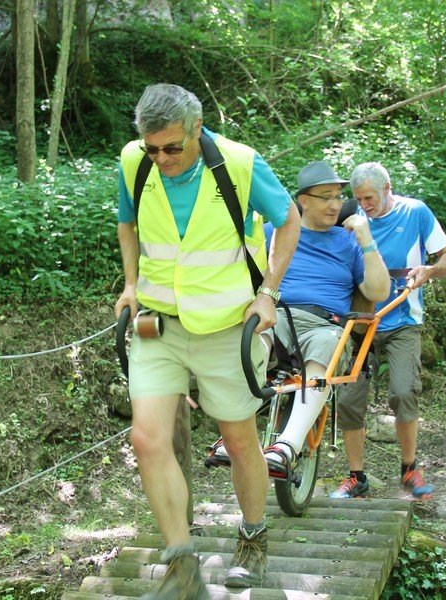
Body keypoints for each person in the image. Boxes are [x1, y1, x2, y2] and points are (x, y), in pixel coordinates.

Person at [114, 83, 300, 598]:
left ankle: (253, 537)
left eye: (172, 147)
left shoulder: (239, 164)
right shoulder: (134, 161)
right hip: (158, 324)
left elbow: (290, 222)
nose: (162, 158)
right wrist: (130, 284)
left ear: (198, 129)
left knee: (240, 442)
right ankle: (181, 562)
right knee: (146, 439)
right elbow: (127, 224)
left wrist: (267, 294)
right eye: (153, 148)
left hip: (227, 327)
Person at [331, 162, 446, 500]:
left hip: (402, 319)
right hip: (358, 320)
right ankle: (356, 476)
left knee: (403, 392)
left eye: (370, 197)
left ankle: (410, 469)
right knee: (348, 399)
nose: (365, 204)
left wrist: (429, 271)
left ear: (388, 188)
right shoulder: (349, 214)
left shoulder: (414, 212)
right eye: (359, 198)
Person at [258, 161, 390, 474]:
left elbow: (379, 290)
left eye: (339, 197)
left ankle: (286, 447)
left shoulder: (348, 242)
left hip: (325, 325)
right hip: (278, 314)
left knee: (326, 349)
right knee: (251, 341)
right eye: (326, 197)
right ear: (304, 201)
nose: (336, 205)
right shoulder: (271, 233)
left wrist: (366, 241)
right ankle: (232, 434)